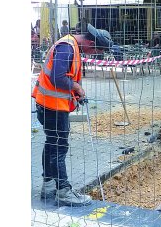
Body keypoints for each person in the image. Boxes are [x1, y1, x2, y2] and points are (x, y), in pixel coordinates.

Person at [33, 24, 113, 205]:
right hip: (52, 106)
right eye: (96, 51)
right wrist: (76, 86)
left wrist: (74, 92)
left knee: (51, 143)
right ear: (91, 43)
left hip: (48, 103)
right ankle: (63, 190)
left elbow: (64, 76)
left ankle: (49, 184)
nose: (93, 55)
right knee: (59, 147)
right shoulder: (67, 48)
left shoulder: (71, 45)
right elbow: (57, 78)